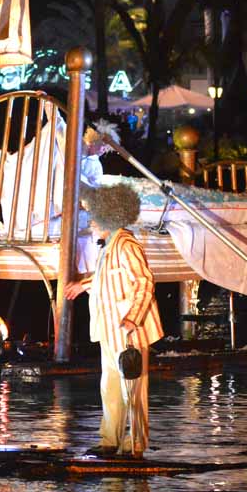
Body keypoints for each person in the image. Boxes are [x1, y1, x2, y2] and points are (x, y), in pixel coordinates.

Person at [64, 183, 163, 459]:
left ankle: (136, 444)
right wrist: (82, 286)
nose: (92, 221)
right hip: (108, 329)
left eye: (95, 215)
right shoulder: (110, 246)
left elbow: (144, 282)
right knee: (110, 386)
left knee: (132, 388)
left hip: (127, 331)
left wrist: (133, 318)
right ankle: (110, 440)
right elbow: (107, 277)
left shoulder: (126, 244)